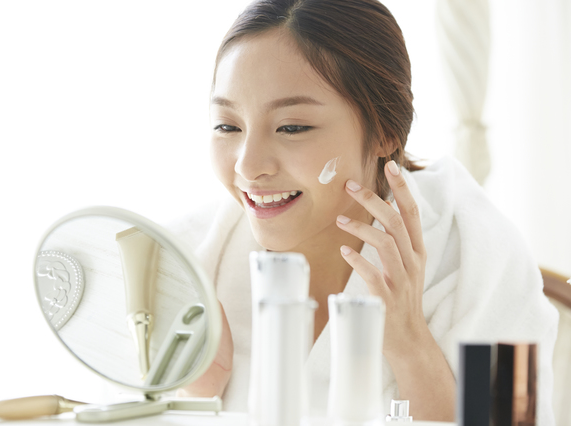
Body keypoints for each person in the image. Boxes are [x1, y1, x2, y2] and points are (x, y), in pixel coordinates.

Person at [171, 0, 559, 422]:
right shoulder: (189, 260)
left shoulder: (479, 257)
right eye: (227, 126)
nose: (248, 167)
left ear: (385, 131)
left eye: (292, 127)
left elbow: (511, 419)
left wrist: (408, 341)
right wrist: (195, 394)